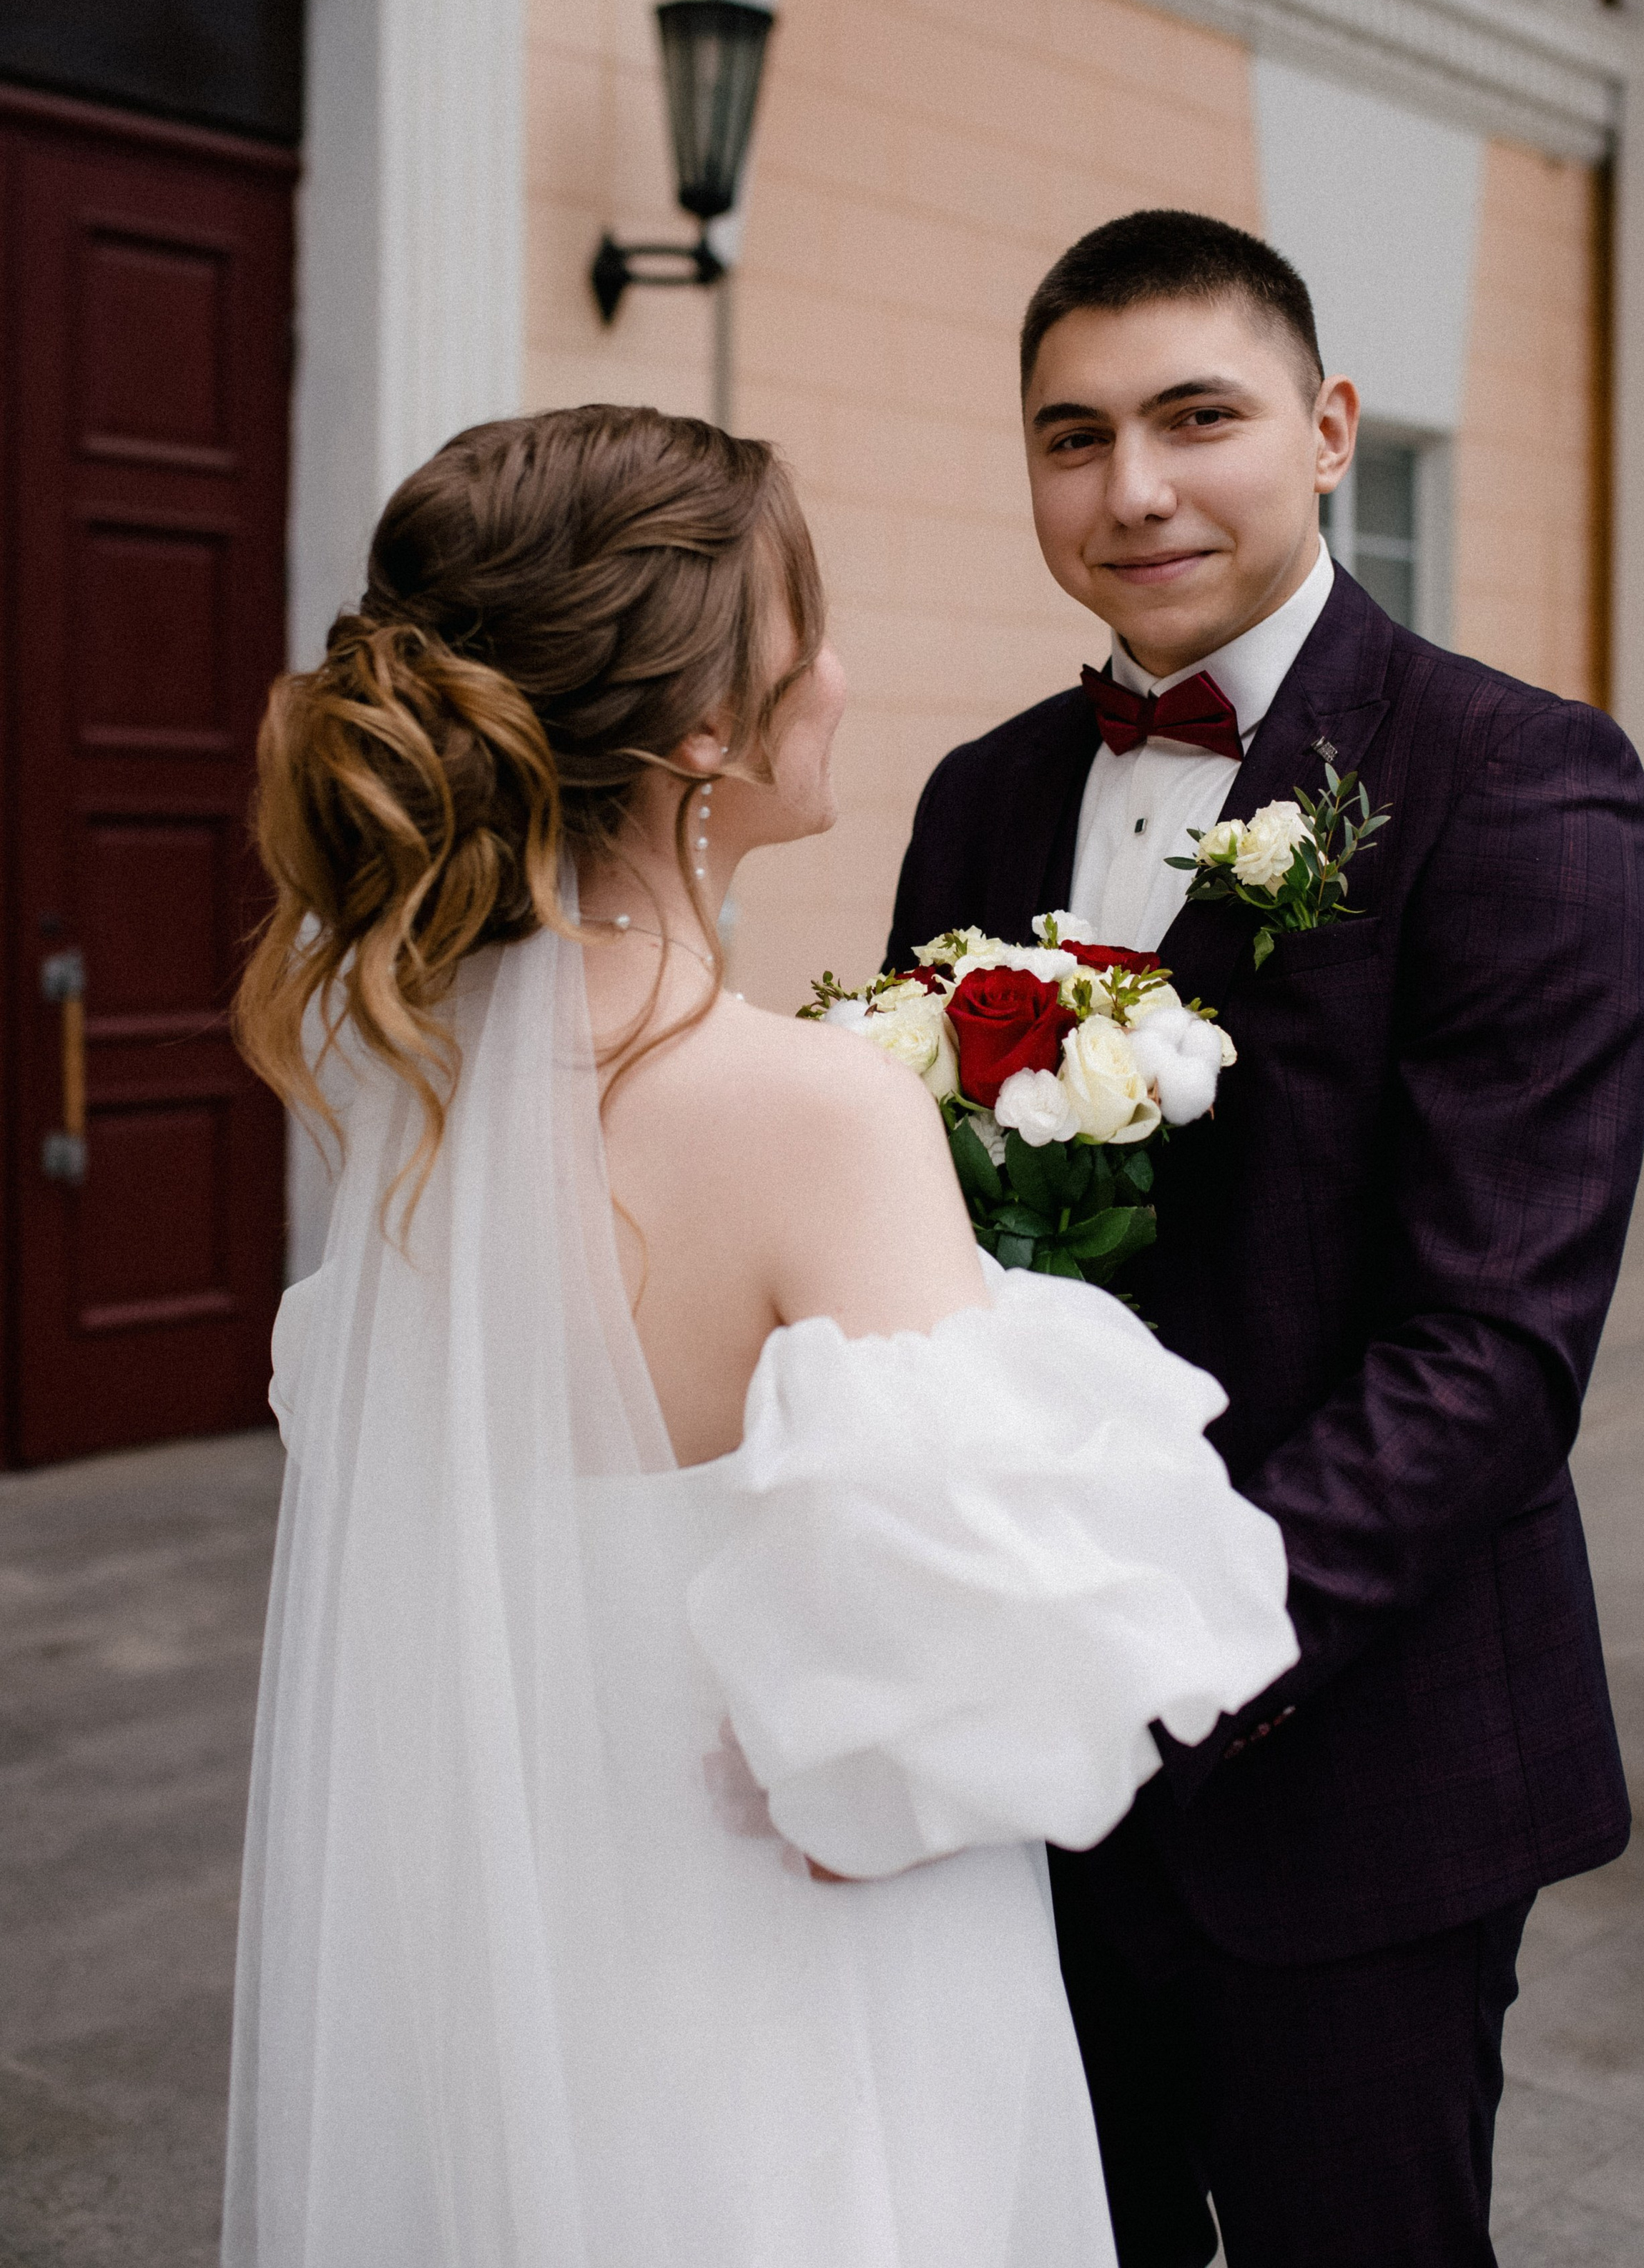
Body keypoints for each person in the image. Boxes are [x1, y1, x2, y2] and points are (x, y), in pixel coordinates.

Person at [221, 402, 1298, 2268]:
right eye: (813, 624)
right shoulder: (817, 1114)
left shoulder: (413, 1086)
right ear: (709, 728)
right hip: (798, 1971)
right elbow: (991, 1668)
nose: (841, 675)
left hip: (527, 1950)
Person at [886, 211, 1644, 2268]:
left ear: (1328, 432)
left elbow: (1495, 1353)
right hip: (1022, 1776)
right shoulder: (978, 801)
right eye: (1072, 437)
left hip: (1356, 1767)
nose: (1132, 488)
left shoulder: (1517, 779)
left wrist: (1159, 1650)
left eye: (1196, 418)